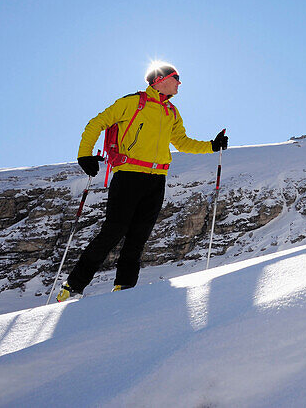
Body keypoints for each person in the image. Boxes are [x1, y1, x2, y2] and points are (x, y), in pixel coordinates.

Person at [56, 62, 228, 301]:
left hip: (157, 180)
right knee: (113, 232)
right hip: (129, 176)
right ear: (160, 79)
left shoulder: (172, 112)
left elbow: (182, 142)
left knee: (139, 236)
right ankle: (73, 285)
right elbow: (96, 123)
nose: (180, 83)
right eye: (176, 77)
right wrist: (84, 154)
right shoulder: (132, 103)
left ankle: (124, 288)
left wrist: (211, 146)